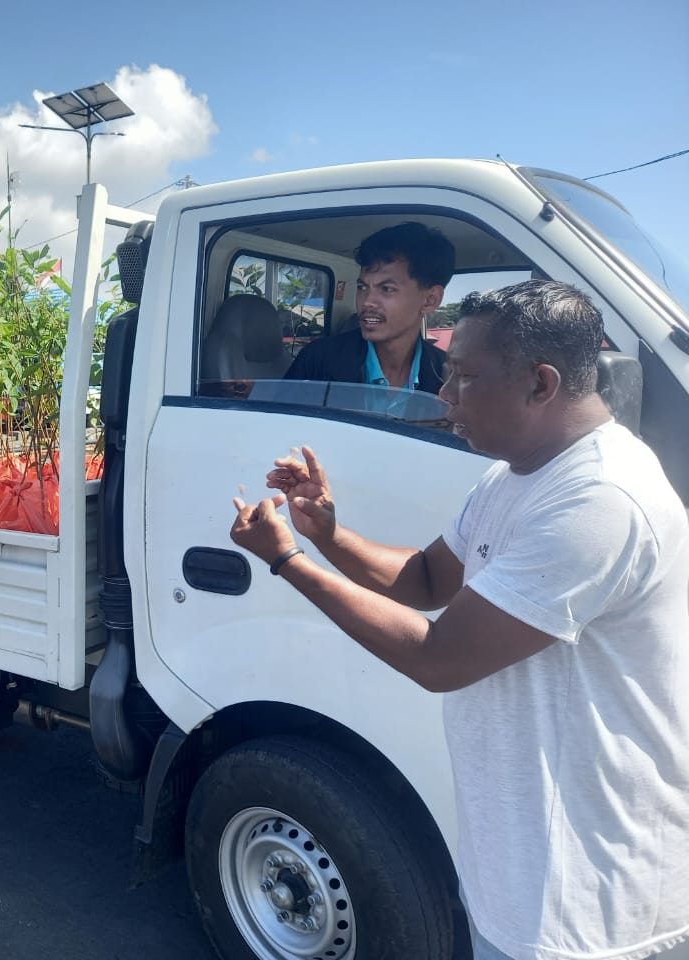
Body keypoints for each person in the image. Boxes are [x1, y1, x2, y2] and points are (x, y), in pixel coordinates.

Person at [230, 280, 689, 960]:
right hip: (526, 875)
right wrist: (327, 534)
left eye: (465, 379)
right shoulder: (515, 475)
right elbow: (426, 579)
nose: (444, 400)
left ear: (541, 383)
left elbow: (438, 657)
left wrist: (288, 563)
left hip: (588, 905)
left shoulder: (600, 500)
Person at [285, 221, 455, 392]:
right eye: (362, 287)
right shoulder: (318, 360)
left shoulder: (448, 376)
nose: (367, 302)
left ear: (430, 300)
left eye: (387, 289)